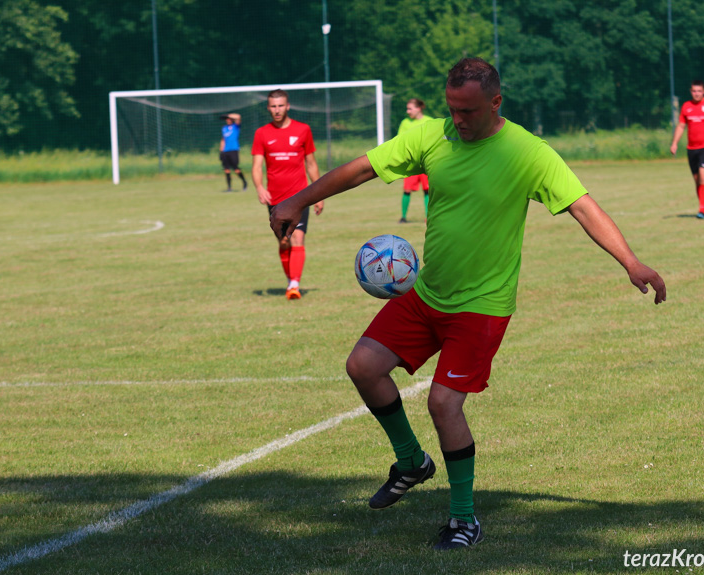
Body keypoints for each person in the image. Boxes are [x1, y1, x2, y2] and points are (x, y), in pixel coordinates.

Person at [270, 58, 666, 550]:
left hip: (482, 306)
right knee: (363, 366)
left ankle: (463, 520)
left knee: (443, 402)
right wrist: (297, 200)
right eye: (451, 108)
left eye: (469, 111)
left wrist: (631, 261)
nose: (457, 120)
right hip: (427, 293)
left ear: (496, 103)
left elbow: (583, 206)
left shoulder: (528, 152)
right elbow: (362, 169)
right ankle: (412, 462)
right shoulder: (431, 135)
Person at [252, 89, 323, 300]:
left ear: (288, 106)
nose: (277, 110)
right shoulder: (261, 133)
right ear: (268, 107)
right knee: (283, 242)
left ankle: (294, 284)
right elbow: (257, 166)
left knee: (298, 239)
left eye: (280, 105)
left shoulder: (303, 130)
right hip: (274, 199)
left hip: (300, 196)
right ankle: (291, 280)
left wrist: (318, 194)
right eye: (273, 106)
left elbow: (311, 164)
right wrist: (259, 187)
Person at [669, 80, 704, 218]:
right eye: (694, 91)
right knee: (697, 181)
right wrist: (675, 143)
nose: (696, 93)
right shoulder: (686, 106)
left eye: (699, 91)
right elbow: (681, 126)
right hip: (692, 148)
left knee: (703, 176)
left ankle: (701, 210)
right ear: (691, 91)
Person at [397, 98, 434, 223]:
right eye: (407, 108)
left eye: (410, 108)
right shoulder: (405, 123)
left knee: (427, 190)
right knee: (407, 190)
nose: (408, 111)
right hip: (411, 163)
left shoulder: (429, 121)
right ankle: (403, 217)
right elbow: (400, 140)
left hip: (426, 162)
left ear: (418, 108)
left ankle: (428, 216)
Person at [219, 113, 247, 192]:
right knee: (226, 169)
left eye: (229, 118)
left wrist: (228, 115)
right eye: (226, 119)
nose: (227, 120)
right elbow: (223, 140)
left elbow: (238, 116)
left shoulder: (236, 127)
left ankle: (244, 182)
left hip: (234, 150)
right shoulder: (224, 128)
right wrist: (221, 150)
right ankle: (229, 188)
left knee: (236, 169)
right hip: (225, 151)